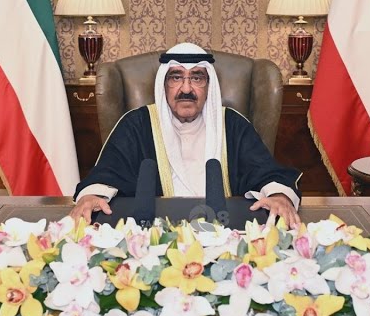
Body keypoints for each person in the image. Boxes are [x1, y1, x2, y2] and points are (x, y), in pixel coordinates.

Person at [70, 42, 302, 228]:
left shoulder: (232, 124)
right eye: (176, 77)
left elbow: (264, 171)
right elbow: (108, 172)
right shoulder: (136, 125)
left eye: (197, 77)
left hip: (224, 232)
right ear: (164, 84)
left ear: (209, 85)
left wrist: (280, 196)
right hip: (154, 235)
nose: (187, 89)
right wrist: (90, 197)